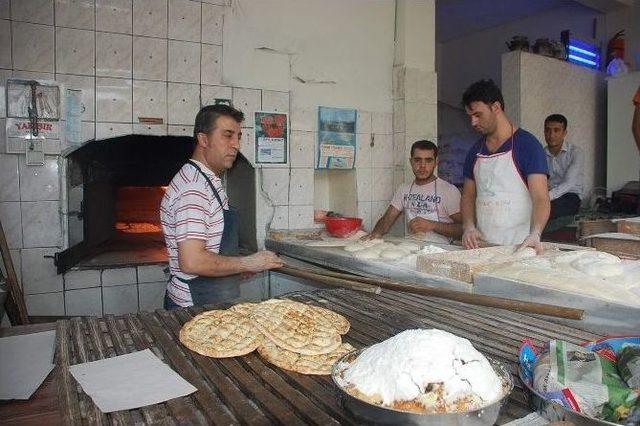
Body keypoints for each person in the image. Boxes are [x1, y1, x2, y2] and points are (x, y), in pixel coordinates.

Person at [160, 104, 283, 309]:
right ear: (203, 139)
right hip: (194, 307)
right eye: (227, 135)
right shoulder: (194, 188)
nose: (236, 144)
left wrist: (235, 267)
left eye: (238, 136)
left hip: (209, 302)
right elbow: (192, 261)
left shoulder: (206, 180)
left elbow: (211, 247)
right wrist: (248, 262)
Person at [460, 79, 550, 253]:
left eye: (478, 115)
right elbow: (468, 196)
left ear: (496, 107)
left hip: (520, 246)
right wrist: (468, 227)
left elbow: (541, 198)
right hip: (483, 246)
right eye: (470, 117)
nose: (473, 122)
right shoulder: (474, 152)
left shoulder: (528, 146)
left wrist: (536, 233)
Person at [365, 140, 462, 243]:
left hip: (439, 251)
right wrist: (374, 235)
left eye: (428, 160)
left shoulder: (448, 191)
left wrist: (431, 225)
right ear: (411, 162)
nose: (422, 166)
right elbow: (386, 220)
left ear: (436, 162)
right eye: (417, 160)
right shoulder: (404, 189)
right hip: (411, 248)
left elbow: (464, 229)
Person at [544, 114, 584, 220]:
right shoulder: (540, 153)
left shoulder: (575, 152)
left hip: (570, 195)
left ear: (564, 133)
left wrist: (545, 198)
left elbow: (568, 183)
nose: (551, 135)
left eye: (556, 130)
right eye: (548, 130)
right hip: (547, 195)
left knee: (545, 210)